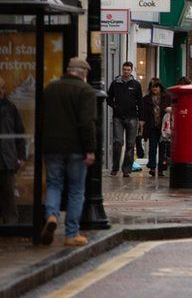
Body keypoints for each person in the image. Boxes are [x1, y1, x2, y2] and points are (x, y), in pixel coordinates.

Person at [41, 57, 96, 246]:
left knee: (53, 184)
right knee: (75, 191)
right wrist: (90, 149)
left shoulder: (50, 88)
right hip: (76, 148)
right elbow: (86, 123)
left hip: (52, 147)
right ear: (84, 73)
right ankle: (72, 234)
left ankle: (51, 216)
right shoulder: (85, 91)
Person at [107, 61, 142, 177]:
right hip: (118, 117)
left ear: (131, 71)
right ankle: (115, 167)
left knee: (130, 144)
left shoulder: (136, 85)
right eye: (124, 69)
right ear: (122, 70)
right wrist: (115, 106)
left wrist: (141, 119)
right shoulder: (115, 83)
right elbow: (108, 98)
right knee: (117, 142)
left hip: (132, 117)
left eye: (128, 70)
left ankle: (126, 169)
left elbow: (140, 102)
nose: (126, 72)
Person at [0, 77, 26, 224]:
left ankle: (11, 223)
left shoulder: (10, 108)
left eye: (3, 88)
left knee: (9, 194)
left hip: (7, 158)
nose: (1, 91)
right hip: (6, 156)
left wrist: (21, 156)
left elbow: (19, 133)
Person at [140, 78, 171, 178]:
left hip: (163, 127)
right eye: (153, 87)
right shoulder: (146, 99)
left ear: (160, 87)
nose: (155, 89)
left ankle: (161, 168)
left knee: (163, 148)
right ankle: (152, 167)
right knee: (152, 147)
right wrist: (142, 125)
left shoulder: (167, 97)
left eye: (157, 86)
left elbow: (172, 108)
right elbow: (143, 113)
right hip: (152, 126)